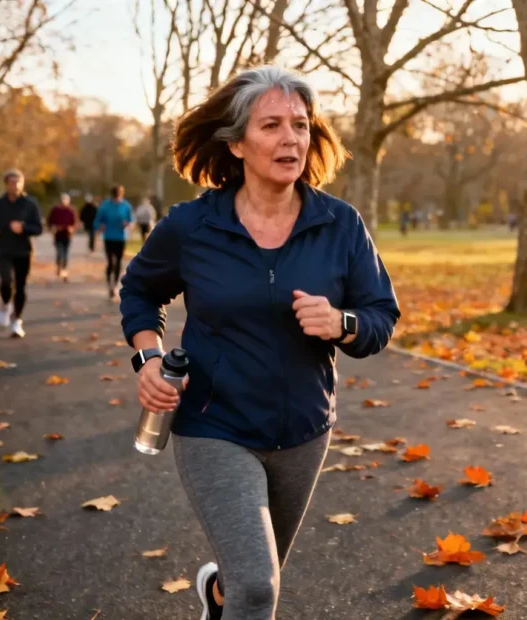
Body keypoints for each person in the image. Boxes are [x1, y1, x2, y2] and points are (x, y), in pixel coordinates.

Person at [119, 65, 400, 620]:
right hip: (213, 423)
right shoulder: (191, 226)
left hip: (303, 430)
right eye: (271, 124)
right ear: (238, 143)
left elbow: (379, 319)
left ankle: (215, 594)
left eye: (300, 124)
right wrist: (148, 358)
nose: (291, 137)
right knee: (258, 588)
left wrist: (340, 322)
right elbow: (139, 292)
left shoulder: (340, 224)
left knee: (249, 578)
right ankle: (233, 594)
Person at [0, 169, 42, 338]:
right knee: (6, 281)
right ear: (6, 184)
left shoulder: (30, 204)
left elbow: (38, 228)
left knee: (21, 286)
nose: (15, 185)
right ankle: (6, 304)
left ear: (22, 184)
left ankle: (17, 321)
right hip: (3, 249)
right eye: (11, 182)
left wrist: (23, 227)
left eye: (18, 182)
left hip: (24, 250)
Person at [94, 186, 134, 299]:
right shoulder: (105, 205)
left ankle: (115, 285)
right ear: (112, 195)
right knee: (111, 262)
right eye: (115, 196)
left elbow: (131, 219)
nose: (117, 198)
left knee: (118, 262)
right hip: (109, 237)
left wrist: (128, 224)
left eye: (119, 195)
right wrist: (100, 226)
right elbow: (97, 220)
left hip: (121, 237)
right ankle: (109, 284)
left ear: (122, 194)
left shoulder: (126, 206)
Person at [47, 193, 77, 281]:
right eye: (63, 200)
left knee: (66, 254)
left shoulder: (71, 210)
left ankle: (64, 270)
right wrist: (52, 228)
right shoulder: (55, 210)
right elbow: (50, 221)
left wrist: (72, 228)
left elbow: (75, 223)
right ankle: (58, 266)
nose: (64, 202)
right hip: (58, 235)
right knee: (59, 253)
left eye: (66, 200)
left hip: (67, 235)